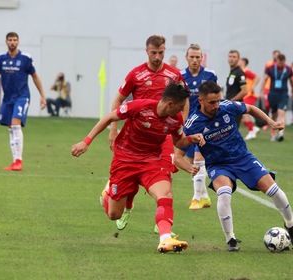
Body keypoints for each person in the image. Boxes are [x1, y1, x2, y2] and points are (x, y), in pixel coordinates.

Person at [72, 83, 205, 253]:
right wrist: (86, 141)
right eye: (180, 107)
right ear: (170, 104)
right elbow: (108, 118)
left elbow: (178, 141)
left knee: (165, 194)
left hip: (151, 162)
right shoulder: (139, 107)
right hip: (124, 161)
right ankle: (108, 194)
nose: (181, 111)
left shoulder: (175, 119)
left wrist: (191, 138)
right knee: (115, 215)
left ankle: (165, 238)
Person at [174, 81, 293, 252]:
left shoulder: (227, 106)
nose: (216, 105)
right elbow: (177, 156)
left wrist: (270, 121)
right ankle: (231, 239)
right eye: (212, 102)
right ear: (201, 100)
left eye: (218, 100)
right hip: (218, 165)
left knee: (274, 190)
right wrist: (189, 168)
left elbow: (250, 108)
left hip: (242, 158)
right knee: (224, 193)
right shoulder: (193, 123)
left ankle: (291, 225)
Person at [108, 35, 187, 231]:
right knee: (133, 178)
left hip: (164, 134)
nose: (158, 57)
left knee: (167, 173)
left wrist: (183, 125)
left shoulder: (174, 74)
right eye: (154, 53)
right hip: (137, 134)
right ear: (147, 51)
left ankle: (163, 221)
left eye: (161, 52)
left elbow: (184, 100)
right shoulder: (136, 74)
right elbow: (119, 100)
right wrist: (113, 130)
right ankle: (126, 206)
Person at [0, 32, 46, 171]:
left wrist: (42, 96)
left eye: (15, 40)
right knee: (10, 127)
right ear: (6, 42)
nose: (12, 42)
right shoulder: (1, 59)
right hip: (8, 98)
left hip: (22, 96)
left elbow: (35, 77)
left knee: (16, 124)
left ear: (18, 42)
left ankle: (19, 161)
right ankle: (15, 161)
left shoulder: (25, 58)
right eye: (10, 40)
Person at [180, 43, 218, 210]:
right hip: (189, 124)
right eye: (192, 57)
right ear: (186, 57)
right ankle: (205, 197)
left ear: (202, 58)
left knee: (199, 158)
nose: (195, 60)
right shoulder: (180, 76)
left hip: (206, 123)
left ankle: (196, 198)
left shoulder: (210, 74)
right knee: (191, 162)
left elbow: (217, 97)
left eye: (198, 57)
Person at [259, 53, 293, 142]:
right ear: (276, 61)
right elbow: (265, 79)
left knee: (281, 112)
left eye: (282, 63)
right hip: (273, 94)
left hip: (283, 94)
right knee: (274, 114)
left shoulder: (288, 69)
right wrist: (261, 91)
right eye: (279, 62)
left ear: (284, 61)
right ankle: (273, 134)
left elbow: (292, 81)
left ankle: (281, 133)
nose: (280, 64)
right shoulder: (270, 68)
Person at [238, 57, 261, 140]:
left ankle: (252, 130)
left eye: (239, 60)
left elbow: (257, 77)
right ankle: (252, 128)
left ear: (243, 62)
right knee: (242, 114)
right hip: (245, 95)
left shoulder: (245, 70)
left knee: (244, 112)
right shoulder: (240, 72)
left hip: (249, 95)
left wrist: (253, 87)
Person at [226, 50, 247, 127]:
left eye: (234, 57)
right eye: (230, 56)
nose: (231, 59)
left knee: (232, 131)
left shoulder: (239, 73)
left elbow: (244, 91)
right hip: (229, 106)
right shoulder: (232, 72)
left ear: (238, 59)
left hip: (235, 106)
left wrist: (232, 101)